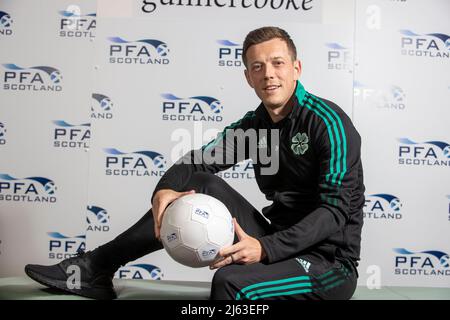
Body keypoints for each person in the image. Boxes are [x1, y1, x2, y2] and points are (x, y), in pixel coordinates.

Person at [25, 26, 365, 300]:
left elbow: (335, 212)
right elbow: (200, 160)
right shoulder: (256, 124)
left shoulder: (327, 122)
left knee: (231, 283)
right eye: (257, 66)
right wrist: (164, 190)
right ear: (248, 77)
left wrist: (264, 248)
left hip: (327, 263)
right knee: (200, 184)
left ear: (296, 68)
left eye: (277, 63)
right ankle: (94, 269)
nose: (268, 74)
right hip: (278, 240)